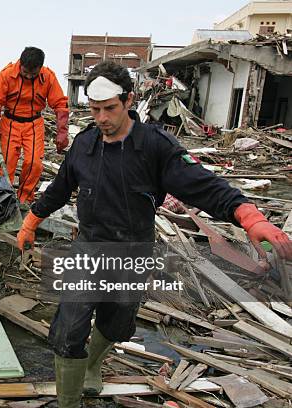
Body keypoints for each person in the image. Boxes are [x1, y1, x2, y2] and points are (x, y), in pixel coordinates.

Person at [16, 60, 292, 408]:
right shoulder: (84, 144)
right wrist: (30, 222)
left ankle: (92, 365)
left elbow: (203, 185)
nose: (101, 118)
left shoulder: (155, 147)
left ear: (129, 100)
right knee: (67, 332)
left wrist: (248, 216)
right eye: (94, 109)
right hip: (87, 250)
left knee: (116, 325)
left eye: (110, 109)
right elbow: (59, 188)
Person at [0, 47, 69, 205]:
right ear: (21, 64)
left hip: (34, 124)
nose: (28, 76)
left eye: (33, 74)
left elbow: (60, 105)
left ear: (40, 68)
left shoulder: (48, 77)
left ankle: (24, 199)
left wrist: (62, 133)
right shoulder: (7, 75)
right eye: (25, 72)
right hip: (10, 123)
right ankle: (3, 199)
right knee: (6, 162)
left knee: (34, 163)